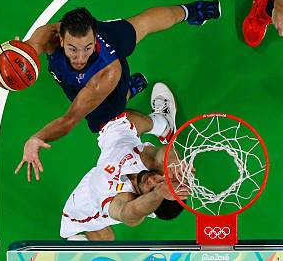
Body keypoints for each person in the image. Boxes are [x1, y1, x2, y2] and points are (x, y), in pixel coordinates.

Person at [0, 0, 221, 181]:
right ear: (60, 38)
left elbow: (69, 120)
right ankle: (132, 89)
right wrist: (6, 64)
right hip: (79, 80)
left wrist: (37, 138)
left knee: (112, 118)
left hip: (104, 84)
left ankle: (161, 122)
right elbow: (26, 54)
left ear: (95, 38)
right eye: (72, 49)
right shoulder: (48, 36)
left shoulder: (107, 73)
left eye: (87, 48)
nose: (80, 57)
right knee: (140, 24)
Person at [60, 82, 188, 241]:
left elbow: (130, 213)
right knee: (117, 118)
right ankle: (164, 124)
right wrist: (175, 163)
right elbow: (164, 153)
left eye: (152, 188)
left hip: (90, 202)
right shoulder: (153, 168)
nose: (152, 180)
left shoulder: (123, 200)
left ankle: (91, 243)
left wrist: (158, 193)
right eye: (160, 180)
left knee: (90, 228)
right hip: (114, 151)